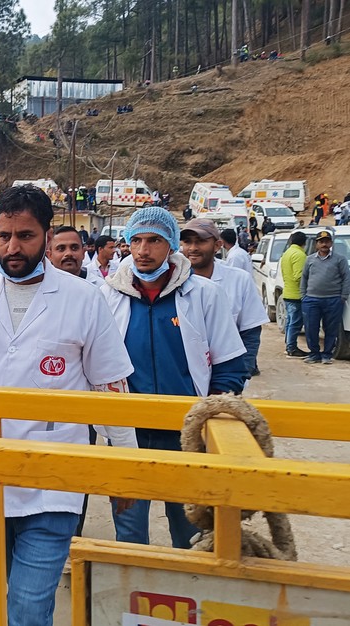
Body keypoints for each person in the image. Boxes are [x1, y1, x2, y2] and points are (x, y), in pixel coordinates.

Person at [0, 185, 137, 626]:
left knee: (28, 606)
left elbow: (110, 387)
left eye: (24, 236)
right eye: (3, 235)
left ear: (46, 237)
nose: (12, 247)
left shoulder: (84, 299)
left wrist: (125, 465)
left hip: (56, 475)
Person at [101, 207, 247, 549]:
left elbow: (229, 363)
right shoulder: (107, 295)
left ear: (170, 246)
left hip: (185, 432)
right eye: (135, 240)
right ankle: (132, 592)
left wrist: (210, 415)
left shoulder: (204, 294)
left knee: (190, 529)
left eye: (154, 241)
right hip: (128, 433)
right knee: (129, 529)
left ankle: (189, 594)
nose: (143, 250)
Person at [180, 219, 270, 379]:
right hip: (183, 377)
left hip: (225, 375)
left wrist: (240, 376)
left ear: (217, 245)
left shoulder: (239, 280)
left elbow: (250, 333)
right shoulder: (172, 282)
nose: (193, 248)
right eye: (187, 242)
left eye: (200, 242)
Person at [300, 230, 350, 364]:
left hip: (333, 299)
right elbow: (304, 277)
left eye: (327, 241)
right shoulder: (309, 259)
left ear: (331, 243)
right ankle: (314, 354)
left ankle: (327, 355)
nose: (324, 244)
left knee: (331, 328)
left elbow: (346, 278)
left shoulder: (340, 259)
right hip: (311, 300)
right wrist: (303, 295)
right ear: (316, 244)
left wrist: (343, 296)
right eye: (321, 242)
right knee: (311, 328)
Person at [280, 231, 309, 358]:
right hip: (297, 294)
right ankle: (291, 348)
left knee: (290, 321)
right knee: (295, 322)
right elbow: (299, 276)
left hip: (288, 292)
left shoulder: (287, 253)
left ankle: (289, 346)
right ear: (304, 243)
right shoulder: (299, 255)